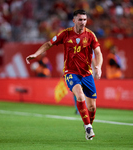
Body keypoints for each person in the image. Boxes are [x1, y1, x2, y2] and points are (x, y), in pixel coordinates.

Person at [26, 9, 103, 140]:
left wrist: (99, 66)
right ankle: (88, 127)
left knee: (92, 107)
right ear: (74, 20)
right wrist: (36, 54)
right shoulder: (65, 34)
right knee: (79, 95)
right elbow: (49, 43)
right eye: (80, 19)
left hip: (87, 74)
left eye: (84, 19)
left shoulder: (90, 35)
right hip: (71, 72)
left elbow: (99, 53)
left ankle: (88, 125)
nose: (83, 22)